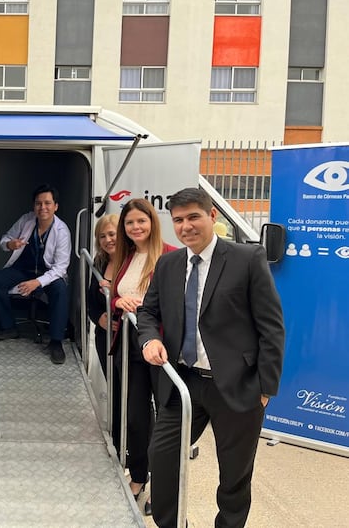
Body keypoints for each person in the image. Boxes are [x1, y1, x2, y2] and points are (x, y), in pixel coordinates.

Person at [138, 187, 285, 528]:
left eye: (193, 217)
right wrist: (150, 340)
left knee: (234, 477)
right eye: (178, 220)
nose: (186, 226)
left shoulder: (247, 259)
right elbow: (148, 313)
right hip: (183, 384)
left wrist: (265, 387)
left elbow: (272, 327)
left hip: (236, 385)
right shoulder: (169, 263)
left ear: (212, 216)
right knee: (163, 462)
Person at [109, 198, 175, 516]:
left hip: (161, 350)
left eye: (141, 221)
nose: (136, 227)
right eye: (130, 223)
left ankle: (163, 491)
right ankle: (138, 477)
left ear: (153, 222)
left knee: (166, 425)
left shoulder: (171, 256)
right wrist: (118, 303)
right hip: (131, 349)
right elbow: (116, 294)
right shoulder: (129, 256)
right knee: (136, 419)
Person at [0, 183, 71, 365]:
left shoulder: (61, 231)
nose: (43, 208)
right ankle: (8, 327)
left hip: (48, 273)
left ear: (55, 206)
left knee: (60, 290)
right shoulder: (26, 220)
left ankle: (56, 342)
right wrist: (10, 245)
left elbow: (60, 268)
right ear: (34, 206)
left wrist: (37, 282)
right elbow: (5, 239)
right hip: (23, 269)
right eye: (38, 203)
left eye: (47, 203)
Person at [87, 213, 121, 454]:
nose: (108, 239)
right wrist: (99, 318)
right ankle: (120, 441)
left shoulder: (134, 261)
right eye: (103, 236)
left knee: (133, 395)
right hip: (105, 336)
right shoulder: (99, 264)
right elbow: (91, 301)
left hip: (128, 338)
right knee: (115, 388)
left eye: (113, 234)